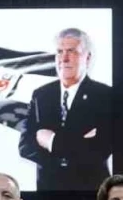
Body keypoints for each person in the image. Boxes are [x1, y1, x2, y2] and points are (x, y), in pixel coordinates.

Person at [18, 27, 115, 191]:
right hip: (48, 193)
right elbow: (25, 147)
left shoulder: (105, 95)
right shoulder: (41, 95)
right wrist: (78, 143)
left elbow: (100, 150)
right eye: (59, 52)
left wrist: (51, 142)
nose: (64, 58)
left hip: (91, 193)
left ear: (88, 57)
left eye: (72, 51)